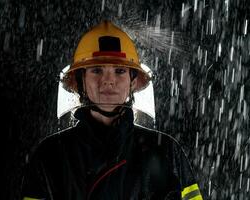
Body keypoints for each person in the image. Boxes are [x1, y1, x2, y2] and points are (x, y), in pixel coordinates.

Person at [21, 21, 203, 200]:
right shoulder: (50, 155)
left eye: (119, 71)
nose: (108, 80)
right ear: (81, 79)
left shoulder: (166, 151)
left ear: (132, 81)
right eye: (97, 70)